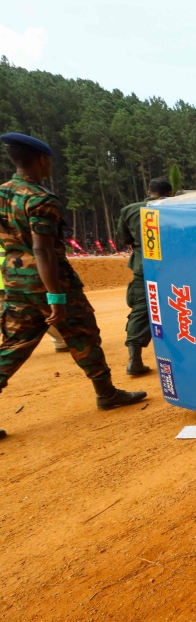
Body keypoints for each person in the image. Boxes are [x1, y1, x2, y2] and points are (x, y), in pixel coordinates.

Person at [0, 133, 145, 421]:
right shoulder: (41, 199)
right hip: (49, 280)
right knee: (83, 334)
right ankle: (106, 394)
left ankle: (107, 394)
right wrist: (55, 298)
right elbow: (43, 251)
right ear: (41, 160)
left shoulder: (2, 194)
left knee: (13, 344)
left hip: (15, 280)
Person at [116, 177, 173, 376]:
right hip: (174, 268)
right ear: (170, 193)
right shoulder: (174, 209)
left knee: (142, 309)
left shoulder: (129, 211)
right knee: (182, 308)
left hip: (144, 267)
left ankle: (134, 360)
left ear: (149, 192)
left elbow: (124, 239)